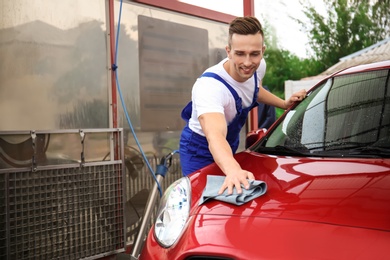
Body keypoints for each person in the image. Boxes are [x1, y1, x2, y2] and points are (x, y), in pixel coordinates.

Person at [179, 16, 306, 195]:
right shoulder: (210, 87)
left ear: (262, 51)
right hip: (200, 150)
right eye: (240, 54)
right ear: (228, 51)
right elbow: (215, 136)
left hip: (228, 145)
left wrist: (284, 103)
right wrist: (233, 170)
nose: (247, 63)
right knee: (201, 201)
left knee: (230, 197)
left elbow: (254, 90)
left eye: (254, 54)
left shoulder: (259, 66)